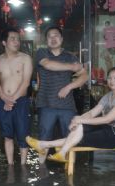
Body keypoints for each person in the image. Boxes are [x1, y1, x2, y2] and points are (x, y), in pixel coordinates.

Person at [26, 67, 115, 163]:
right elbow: (92, 113)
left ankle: (45, 145)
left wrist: (80, 120)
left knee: (80, 136)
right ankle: (59, 152)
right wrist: (77, 120)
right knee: (79, 128)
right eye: (110, 78)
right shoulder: (108, 96)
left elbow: (107, 119)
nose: (112, 81)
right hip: (107, 129)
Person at [35, 26, 88, 163]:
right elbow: (48, 65)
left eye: (56, 35)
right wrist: (72, 67)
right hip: (46, 104)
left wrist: (69, 86)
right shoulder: (41, 53)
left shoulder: (70, 56)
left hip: (67, 105)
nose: (53, 39)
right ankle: (41, 168)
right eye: (50, 36)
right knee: (43, 138)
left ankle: (69, 169)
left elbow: (84, 76)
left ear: (62, 39)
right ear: (46, 40)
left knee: (70, 136)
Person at [0, 28, 33, 165]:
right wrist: (5, 99)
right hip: (3, 101)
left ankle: (23, 165)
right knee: (7, 136)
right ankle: (10, 165)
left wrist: (11, 100)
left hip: (21, 101)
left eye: (18, 39)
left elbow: (26, 82)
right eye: (13, 39)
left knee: (23, 135)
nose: (16, 42)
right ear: (4, 42)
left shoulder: (25, 58)